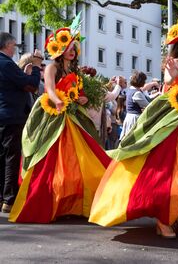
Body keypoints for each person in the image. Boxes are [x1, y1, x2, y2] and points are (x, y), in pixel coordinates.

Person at [89, 16, 178, 239]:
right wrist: (172, 75)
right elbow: (168, 82)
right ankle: (164, 219)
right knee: (166, 171)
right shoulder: (173, 64)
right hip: (170, 122)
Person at [8, 16, 110, 223]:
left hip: (71, 115)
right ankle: (52, 203)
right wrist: (58, 101)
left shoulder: (74, 71)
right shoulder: (51, 68)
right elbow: (49, 89)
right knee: (52, 162)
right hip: (52, 114)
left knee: (82, 160)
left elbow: (78, 93)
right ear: (59, 48)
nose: (72, 51)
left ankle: (75, 203)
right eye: (69, 47)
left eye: (75, 47)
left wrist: (81, 99)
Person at [0, 32, 41, 213]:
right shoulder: (7, 64)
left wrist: (23, 75)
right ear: (8, 46)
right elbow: (31, 84)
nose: (15, 49)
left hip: (4, 115)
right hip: (11, 117)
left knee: (2, 158)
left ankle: (3, 198)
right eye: (14, 46)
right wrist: (38, 66)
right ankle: (9, 199)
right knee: (11, 158)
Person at [119, 71, 149, 140]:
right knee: (133, 141)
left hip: (129, 117)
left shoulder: (130, 90)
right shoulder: (136, 93)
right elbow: (148, 105)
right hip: (134, 119)